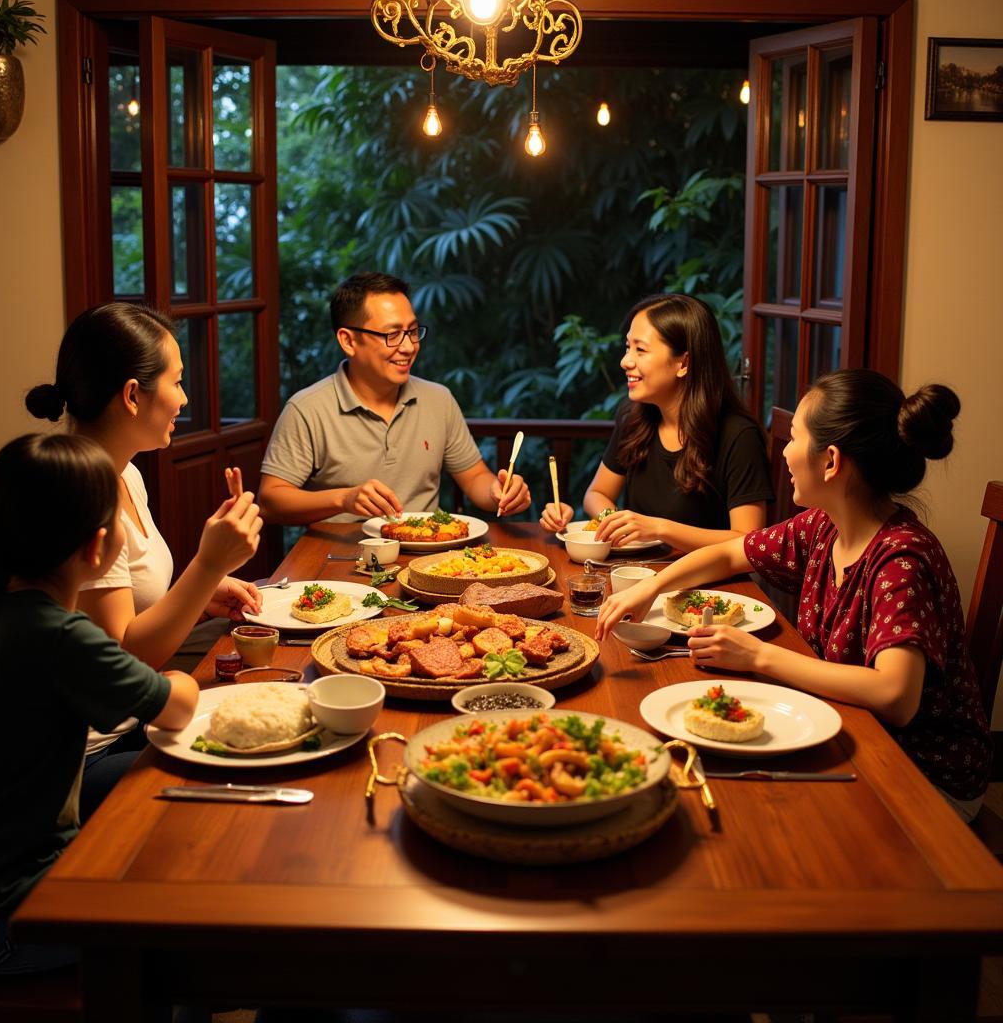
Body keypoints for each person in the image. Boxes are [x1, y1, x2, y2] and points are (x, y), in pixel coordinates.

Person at [596, 369, 991, 820]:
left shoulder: (901, 559)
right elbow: (729, 555)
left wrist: (759, 657)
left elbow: (896, 697)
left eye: (794, 438)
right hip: (852, 730)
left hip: (921, 774)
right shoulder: (823, 526)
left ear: (831, 461)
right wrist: (651, 587)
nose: (783, 451)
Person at [26, 303, 264, 812]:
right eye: (177, 382)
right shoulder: (85, 497)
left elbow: (131, 608)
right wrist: (206, 567)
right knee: (239, 799)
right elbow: (124, 663)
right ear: (133, 395)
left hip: (132, 727)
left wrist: (202, 595)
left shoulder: (125, 474)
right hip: (86, 755)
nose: (184, 398)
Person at [0, 434, 199, 974]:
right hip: (13, 916)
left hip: (2, 889)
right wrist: (177, 678)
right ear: (97, 548)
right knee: (194, 927)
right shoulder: (59, 635)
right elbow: (177, 707)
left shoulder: (2, 613)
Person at [257, 272, 531, 524]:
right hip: (338, 559)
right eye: (392, 335)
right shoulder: (307, 409)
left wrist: (499, 492)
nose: (409, 346)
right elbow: (271, 501)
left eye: (412, 331)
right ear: (348, 341)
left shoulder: (438, 399)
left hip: (426, 557)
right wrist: (343, 499)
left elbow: (474, 478)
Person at [539, 293, 772, 552]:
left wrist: (659, 529)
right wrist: (616, 523)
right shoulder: (635, 418)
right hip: (638, 571)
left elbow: (750, 540)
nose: (625, 361)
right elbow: (596, 495)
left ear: (683, 363)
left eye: (641, 349)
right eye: (628, 347)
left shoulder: (738, 435)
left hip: (710, 587)